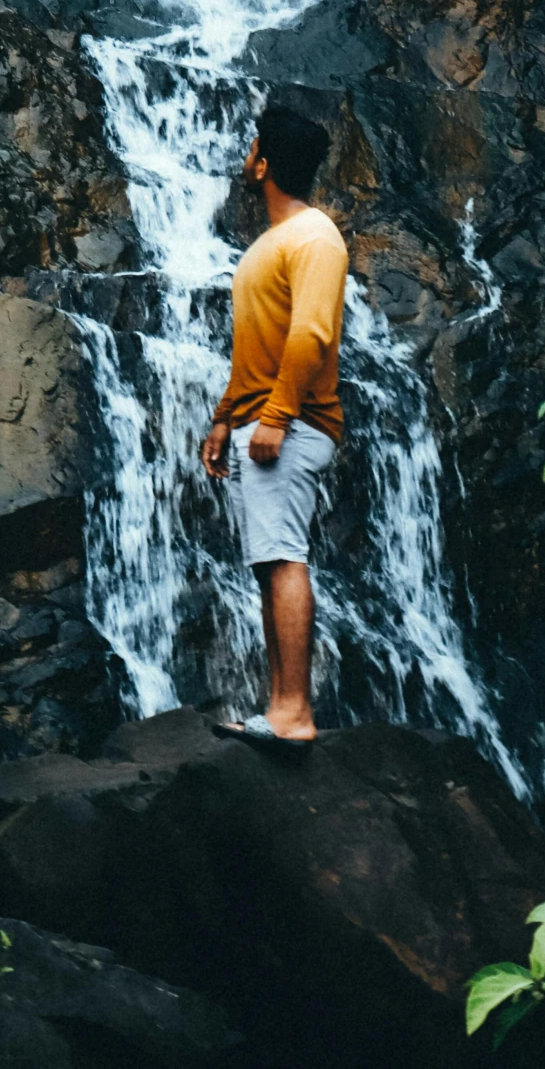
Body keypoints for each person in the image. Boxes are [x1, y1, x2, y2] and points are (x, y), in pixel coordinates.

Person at [201, 101, 348, 748]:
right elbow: (255, 348)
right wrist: (221, 420)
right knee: (269, 560)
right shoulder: (273, 243)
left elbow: (311, 334)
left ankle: (292, 712)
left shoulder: (315, 236)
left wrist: (276, 415)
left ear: (263, 161)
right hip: (260, 421)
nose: (245, 154)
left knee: (284, 557)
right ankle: (279, 705)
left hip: (288, 426)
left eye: (251, 145)